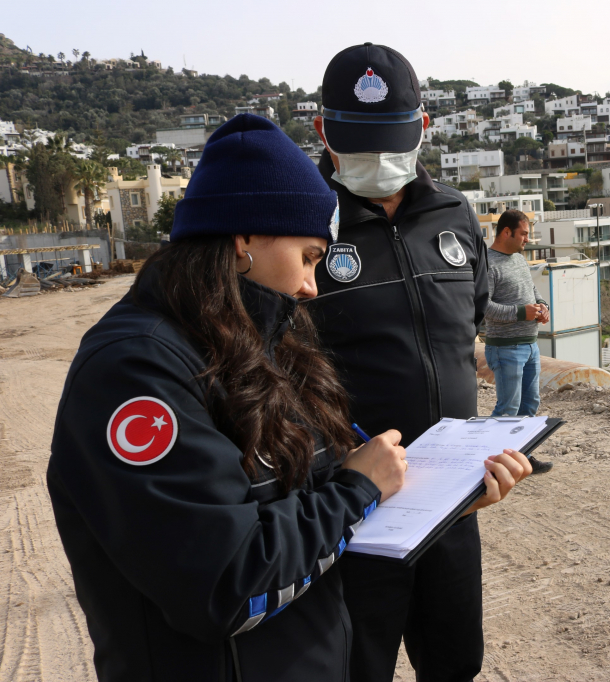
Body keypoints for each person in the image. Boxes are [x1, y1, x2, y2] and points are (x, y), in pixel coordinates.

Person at [48, 113, 412, 682]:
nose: (312, 286)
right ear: (245, 238)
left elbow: (306, 515)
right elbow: (222, 583)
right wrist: (358, 490)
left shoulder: (261, 343)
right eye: (310, 256)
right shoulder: (135, 371)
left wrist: (426, 502)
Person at [308, 43, 531, 682]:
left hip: (452, 508)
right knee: (358, 666)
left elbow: (466, 326)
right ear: (324, 131)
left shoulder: (455, 215)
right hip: (352, 512)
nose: (378, 158)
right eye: (359, 140)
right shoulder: (304, 226)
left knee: (456, 662)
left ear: (424, 128)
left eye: (392, 138)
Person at [482, 209, 554, 473]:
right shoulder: (487, 263)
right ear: (506, 232)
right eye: (524, 234)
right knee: (508, 408)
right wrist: (521, 312)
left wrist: (543, 307)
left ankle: (522, 457)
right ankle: (487, 462)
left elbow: (533, 293)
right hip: (506, 349)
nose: (527, 239)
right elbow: (484, 308)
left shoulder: (519, 260)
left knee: (529, 404)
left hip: (530, 345)